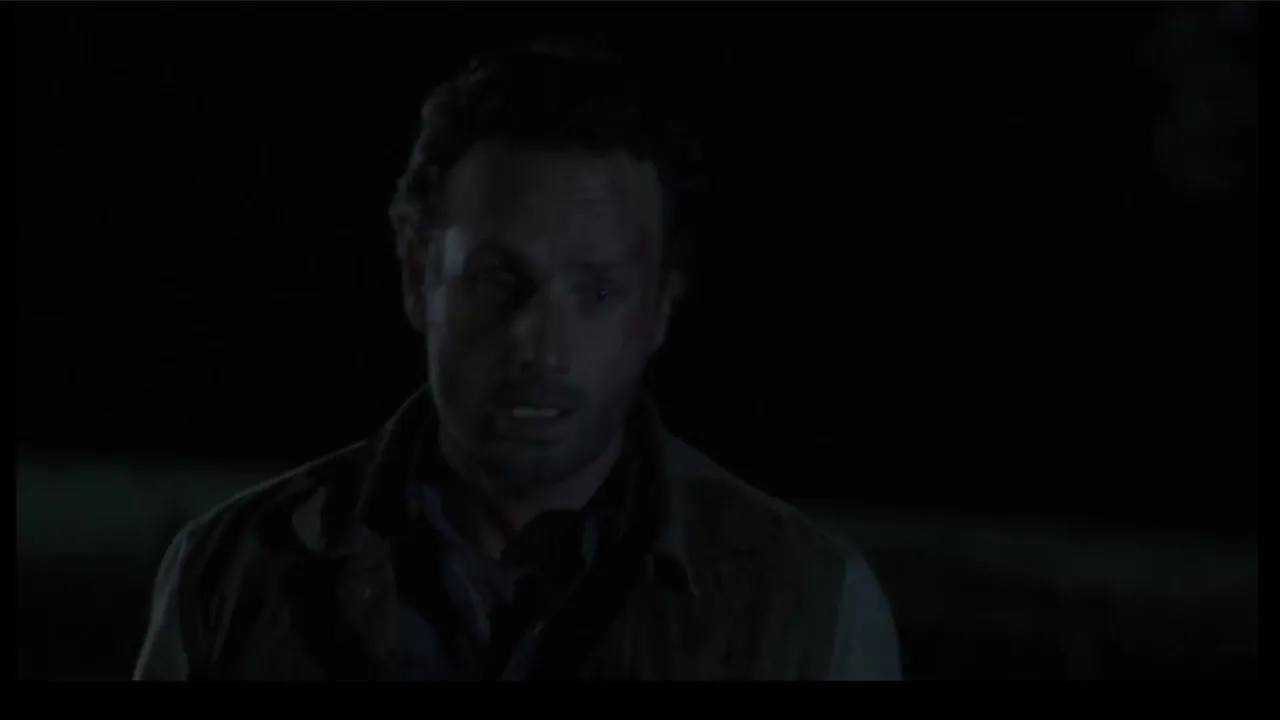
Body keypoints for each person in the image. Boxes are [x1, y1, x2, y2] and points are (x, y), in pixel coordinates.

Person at [133, 42, 900, 681]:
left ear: (659, 310)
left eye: (596, 291)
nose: (539, 345)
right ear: (417, 279)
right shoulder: (235, 573)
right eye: (498, 282)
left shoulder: (806, 602)